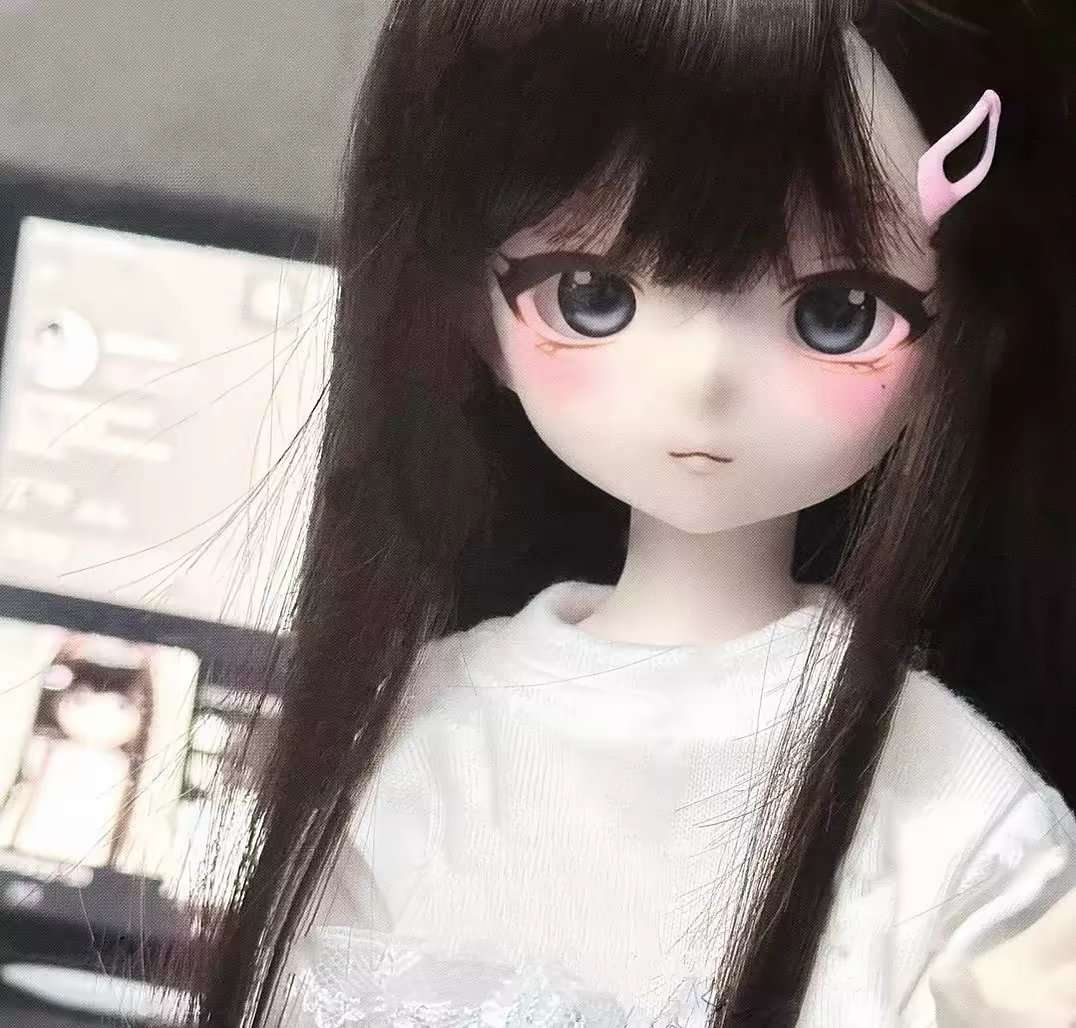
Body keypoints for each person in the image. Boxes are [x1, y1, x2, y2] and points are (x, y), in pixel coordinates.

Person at [167, 1, 1076, 1025]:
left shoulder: (958, 813)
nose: (703, 378)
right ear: (474, 311)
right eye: (592, 295)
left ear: (958, 339)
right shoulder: (411, 736)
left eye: (837, 310)